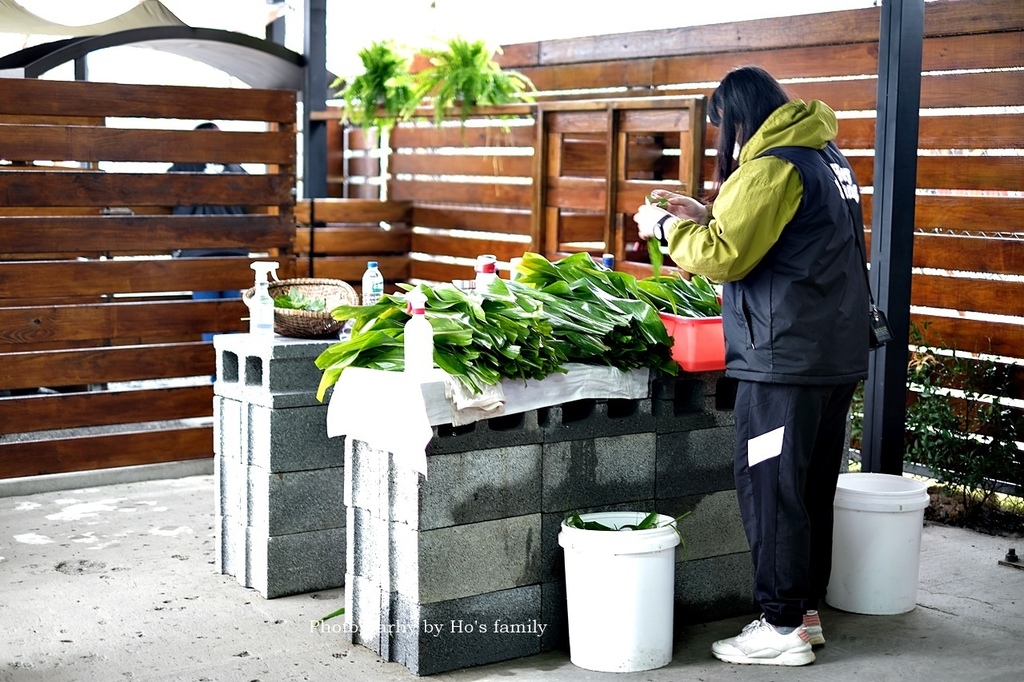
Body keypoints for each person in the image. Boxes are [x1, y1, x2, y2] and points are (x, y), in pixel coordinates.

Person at [634, 66, 870, 667]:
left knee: (771, 489)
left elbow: (723, 256)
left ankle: (781, 625)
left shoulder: (772, 166)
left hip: (782, 361)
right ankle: (804, 613)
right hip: (831, 354)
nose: (724, 141)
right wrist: (700, 210)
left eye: (723, 127)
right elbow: (778, 236)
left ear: (740, 117)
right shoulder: (826, 158)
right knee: (810, 489)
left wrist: (665, 227)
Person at [168, 122, 249, 341]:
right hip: (234, 252)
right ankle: (230, 372)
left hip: (199, 254)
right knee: (232, 316)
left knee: (208, 317)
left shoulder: (182, 168)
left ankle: (213, 372)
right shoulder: (237, 169)